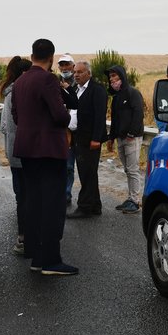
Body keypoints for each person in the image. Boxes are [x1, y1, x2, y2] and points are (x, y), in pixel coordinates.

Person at [12, 38, 79, 276]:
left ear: (32, 55)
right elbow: (60, 116)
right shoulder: (48, 79)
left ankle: (36, 256)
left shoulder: (20, 81)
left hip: (27, 150)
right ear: (51, 58)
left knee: (34, 203)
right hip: (49, 150)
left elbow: (16, 115)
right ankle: (51, 260)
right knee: (52, 205)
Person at [66, 60, 108, 219]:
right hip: (78, 137)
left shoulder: (96, 90)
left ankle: (84, 207)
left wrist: (96, 138)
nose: (76, 75)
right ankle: (95, 205)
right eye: (75, 72)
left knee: (87, 173)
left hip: (90, 139)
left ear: (89, 73)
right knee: (89, 173)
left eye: (80, 72)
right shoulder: (77, 90)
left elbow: (99, 116)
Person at [0, 56, 32, 255]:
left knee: (22, 196)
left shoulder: (8, 93)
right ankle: (28, 239)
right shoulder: (20, 94)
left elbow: (3, 127)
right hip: (26, 153)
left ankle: (22, 238)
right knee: (30, 197)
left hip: (13, 153)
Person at [105, 65, 144, 214]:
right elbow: (114, 120)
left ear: (122, 76)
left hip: (131, 138)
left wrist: (131, 134)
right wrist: (111, 138)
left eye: (114, 76)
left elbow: (138, 114)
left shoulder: (133, 93)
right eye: (110, 78)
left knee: (133, 169)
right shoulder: (116, 98)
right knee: (127, 169)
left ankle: (135, 201)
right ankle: (130, 198)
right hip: (120, 139)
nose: (112, 80)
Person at [57, 54, 77, 206]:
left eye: (67, 65)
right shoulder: (56, 83)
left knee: (74, 166)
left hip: (78, 130)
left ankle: (70, 194)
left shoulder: (79, 84)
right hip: (62, 130)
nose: (64, 68)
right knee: (63, 165)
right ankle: (63, 193)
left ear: (73, 66)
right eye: (61, 65)